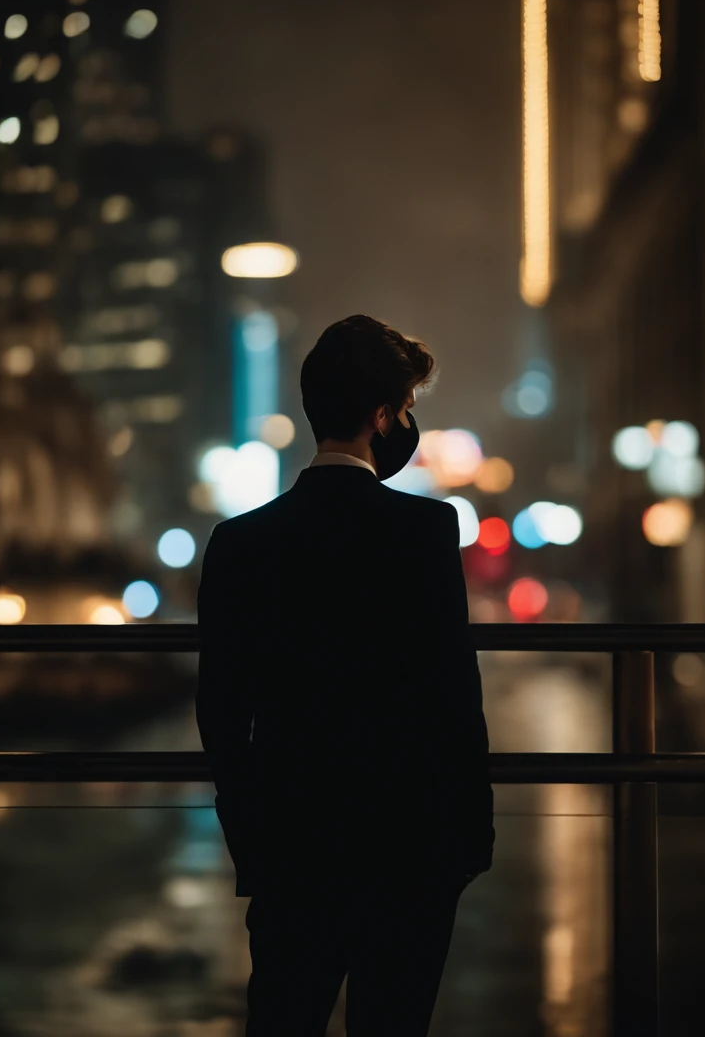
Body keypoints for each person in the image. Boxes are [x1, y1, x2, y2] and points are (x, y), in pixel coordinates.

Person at [197, 313, 494, 1036]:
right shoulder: (426, 532)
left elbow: (221, 712)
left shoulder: (241, 543)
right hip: (410, 851)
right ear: (383, 416)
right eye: (407, 408)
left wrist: (254, 846)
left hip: (293, 853)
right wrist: (469, 843)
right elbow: (454, 697)